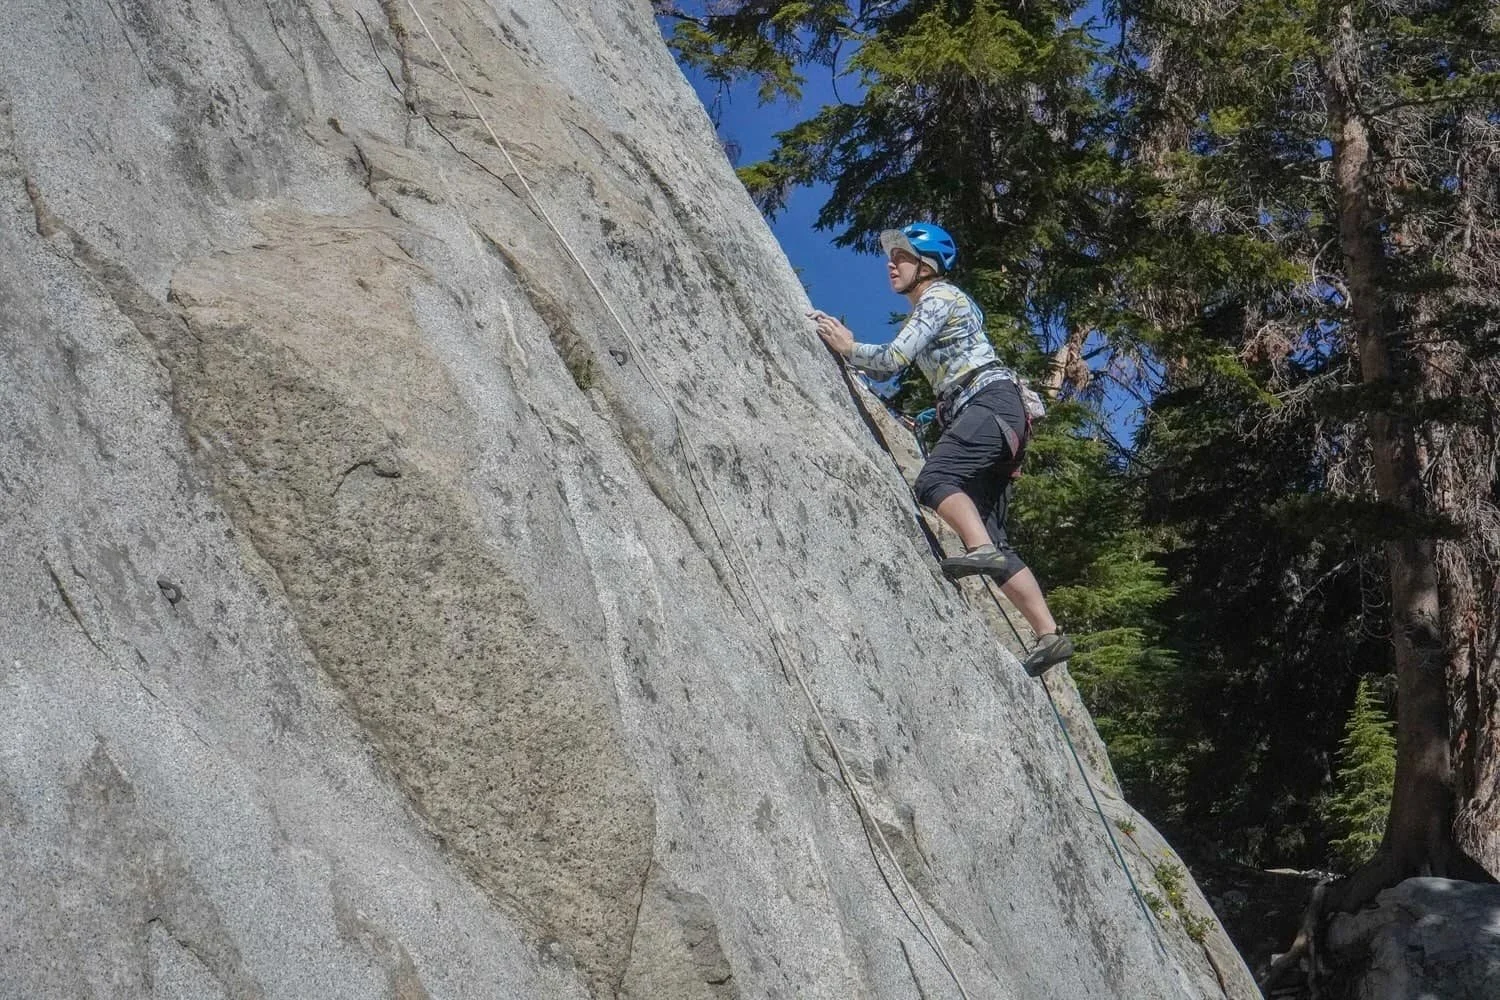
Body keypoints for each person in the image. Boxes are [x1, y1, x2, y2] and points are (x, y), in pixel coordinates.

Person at [808, 222, 1073, 677]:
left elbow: (891, 361)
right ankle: (1050, 635)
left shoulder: (938, 297)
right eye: (890, 258)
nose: (891, 265)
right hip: (999, 411)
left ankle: (980, 549)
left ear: (927, 265)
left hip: (991, 404)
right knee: (994, 537)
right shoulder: (947, 305)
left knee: (935, 480)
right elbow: (958, 370)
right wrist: (934, 415)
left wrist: (849, 346)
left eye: (902, 257)